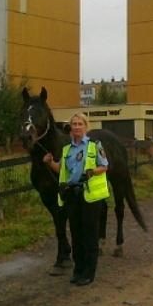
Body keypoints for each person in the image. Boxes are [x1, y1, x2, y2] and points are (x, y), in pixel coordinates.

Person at [43, 113, 109, 286]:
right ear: (70, 128)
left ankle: (89, 272)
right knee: (76, 234)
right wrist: (50, 163)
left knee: (89, 234)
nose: (77, 127)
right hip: (72, 196)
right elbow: (63, 171)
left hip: (90, 196)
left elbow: (104, 166)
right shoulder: (67, 150)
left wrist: (93, 172)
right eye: (74, 124)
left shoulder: (94, 146)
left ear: (85, 127)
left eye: (80, 124)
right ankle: (78, 270)